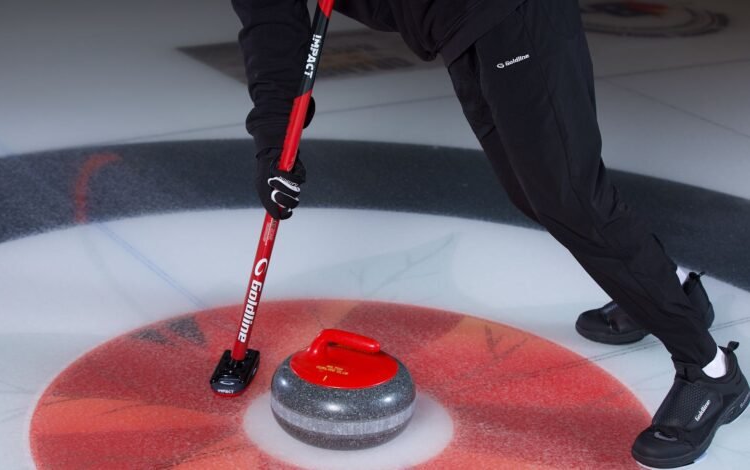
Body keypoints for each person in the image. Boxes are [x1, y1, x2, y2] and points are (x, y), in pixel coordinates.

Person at [231, 0, 749, 467]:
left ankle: (711, 372)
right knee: (541, 194)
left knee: (571, 198)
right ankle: (667, 290)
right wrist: (273, 146)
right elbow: (273, 29)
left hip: (509, 12)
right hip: (461, 28)